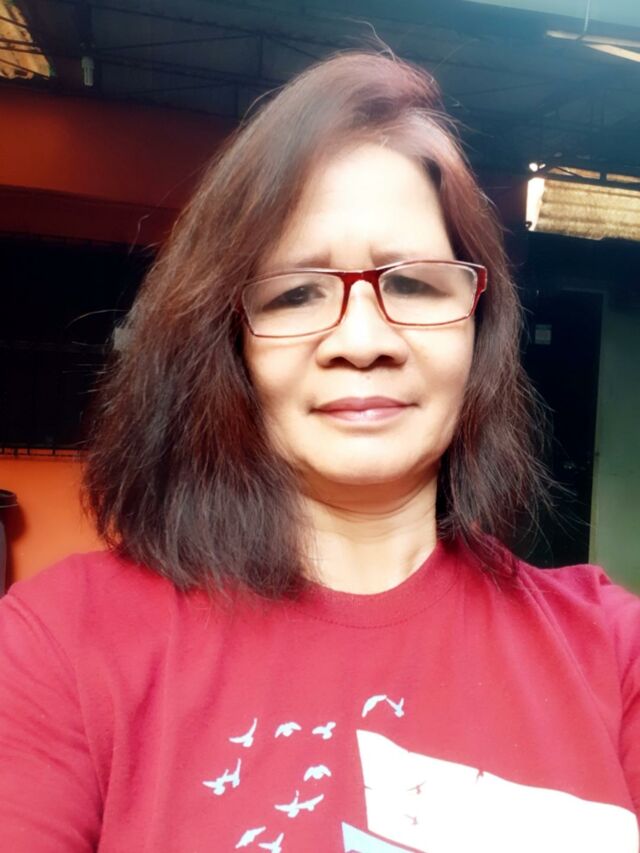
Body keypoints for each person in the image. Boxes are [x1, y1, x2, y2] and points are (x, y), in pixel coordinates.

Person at [0, 51, 638, 853]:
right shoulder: (58, 647)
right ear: (229, 342)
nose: (363, 341)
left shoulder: (613, 651)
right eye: (297, 292)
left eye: (413, 284)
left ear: (478, 329)